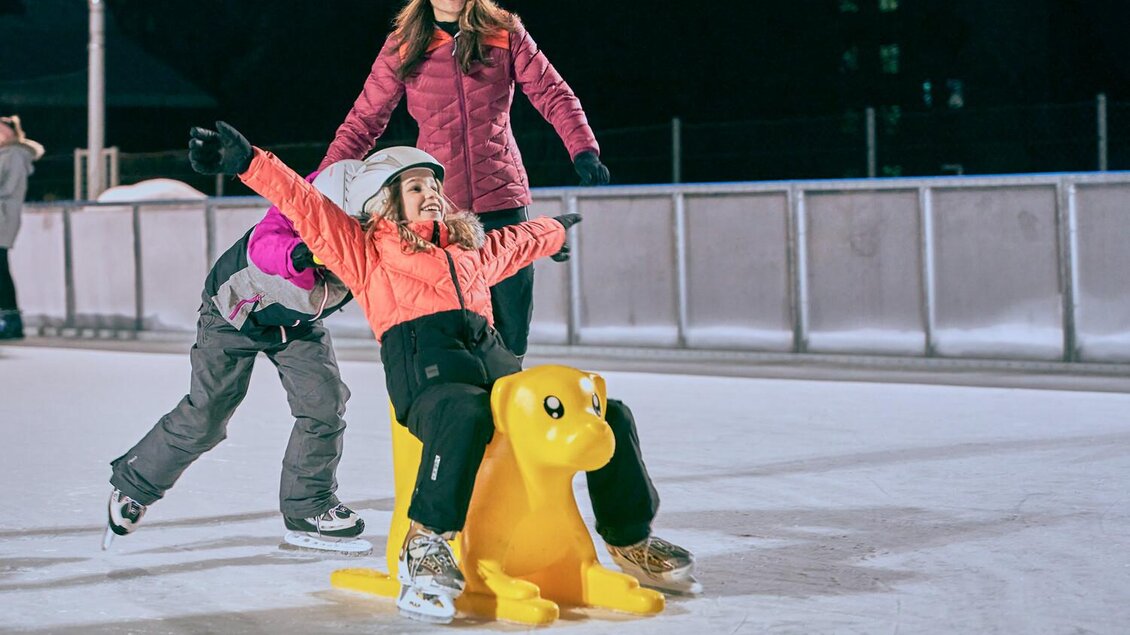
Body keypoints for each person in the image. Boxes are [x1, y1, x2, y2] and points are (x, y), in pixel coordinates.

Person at [188, 122, 699, 623]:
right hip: (425, 368)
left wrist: (550, 233)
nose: (431, 193)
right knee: (463, 413)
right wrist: (249, 162)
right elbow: (306, 205)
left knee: (602, 411)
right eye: (415, 186)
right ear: (384, 200)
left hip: (491, 361)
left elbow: (512, 245)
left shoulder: (466, 246)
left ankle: (630, 539)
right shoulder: (366, 251)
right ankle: (427, 542)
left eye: (434, 185)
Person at [320, 0, 610, 362]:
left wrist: (583, 149)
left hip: (502, 197)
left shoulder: (504, 32)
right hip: (438, 210)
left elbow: (553, 93)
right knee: (453, 322)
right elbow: (364, 121)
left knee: (511, 332)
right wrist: (323, 182)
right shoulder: (405, 43)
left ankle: (505, 398)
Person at [105, 172, 368, 555]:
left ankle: (308, 506)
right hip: (231, 316)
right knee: (207, 415)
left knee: (324, 404)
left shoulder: (374, 235)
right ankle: (135, 483)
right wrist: (303, 255)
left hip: (295, 325)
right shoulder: (297, 212)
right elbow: (266, 247)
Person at [0, 115, 44, 340]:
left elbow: (8, 186)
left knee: (0, 271)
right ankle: (8, 319)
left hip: (2, 218)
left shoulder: (14, 154)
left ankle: (10, 320)